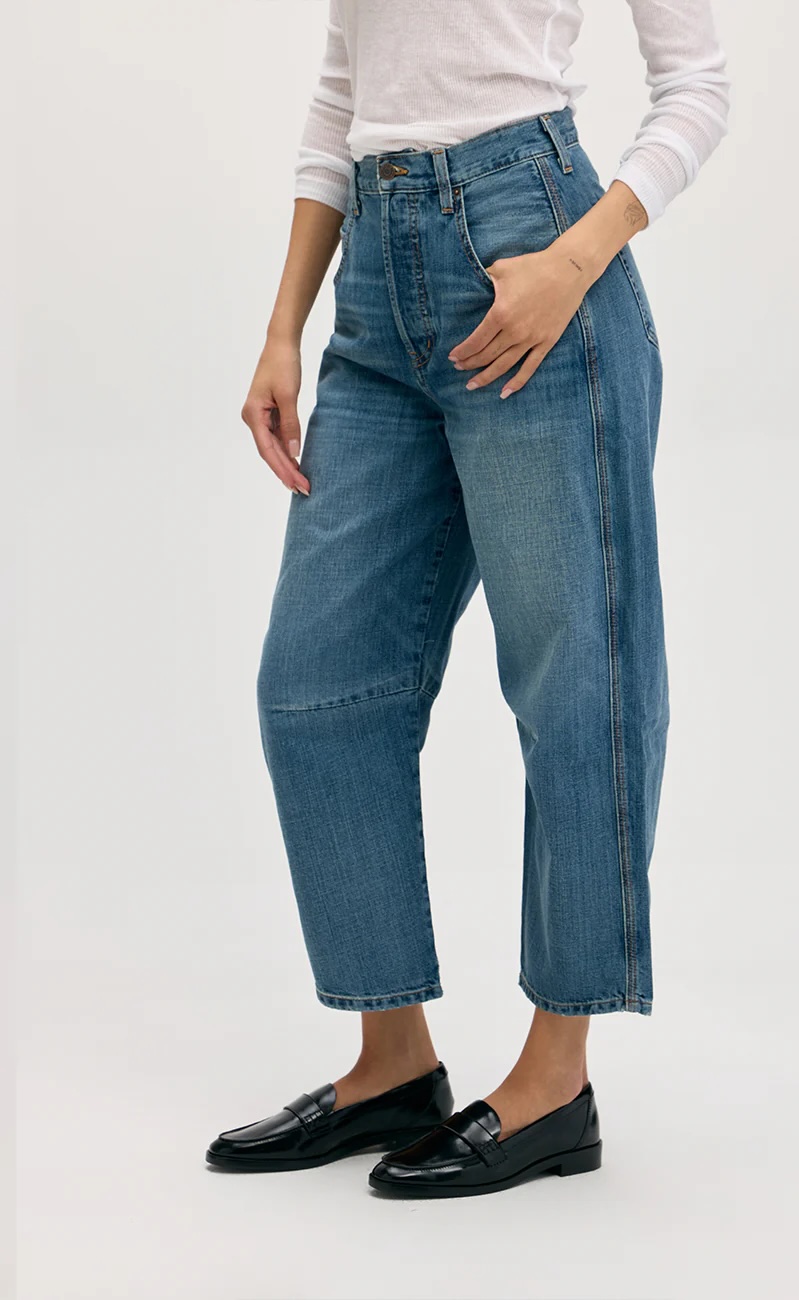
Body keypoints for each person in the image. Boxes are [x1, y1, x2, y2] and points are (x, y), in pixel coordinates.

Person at [206, 0, 730, 1198]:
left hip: (534, 252)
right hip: (373, 297)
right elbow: (345, 96)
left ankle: (555, 1083)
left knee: (575, 684)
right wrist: (283, 325)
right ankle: (392, 1062)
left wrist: (574, 259)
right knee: (317, 684)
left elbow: (697, 87)